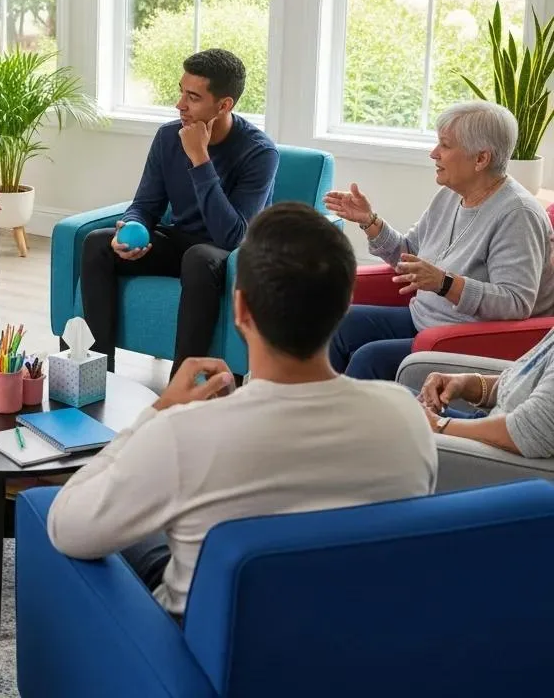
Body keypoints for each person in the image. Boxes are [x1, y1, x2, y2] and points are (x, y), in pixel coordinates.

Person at [47, 203, 436, 619]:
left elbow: (65, 527)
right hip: (350, 642)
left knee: (125, 519)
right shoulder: (408, 419)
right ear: (345, 308)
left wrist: (158, 411)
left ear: (241, 310)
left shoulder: (183, 433)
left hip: (203, 658)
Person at [80, 48, 279, 373]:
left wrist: (200, 158)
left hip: (225, 258)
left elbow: (233, 235)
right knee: (96, 244)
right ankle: (96, 374)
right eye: (180, 92)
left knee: (199, 257)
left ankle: (182, 385)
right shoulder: (167, 137)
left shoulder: (260, 153)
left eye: (193, 97)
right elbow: (145, 205)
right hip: (179, 244)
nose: (180, 105)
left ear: (224, 104)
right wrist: (129, 229)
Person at [325, 100, 554, 381]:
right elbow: (409, 255)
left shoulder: (518, 214)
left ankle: (341, 423)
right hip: (425, 319)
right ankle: (302, 413)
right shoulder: (450, 194)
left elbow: (516, 302)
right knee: (334, 324)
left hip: (465, 338)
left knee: (369, 358)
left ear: (481, 159)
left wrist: (446, 283)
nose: (434, 153)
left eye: (445, 145)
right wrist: (370, 222)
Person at [415, 326, 554, 458]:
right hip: (490, 427)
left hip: (500, 456)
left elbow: (528, 432)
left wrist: (437, 424)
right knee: (398, 401)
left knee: (399, 414)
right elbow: (521, 384)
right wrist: (464, 383)